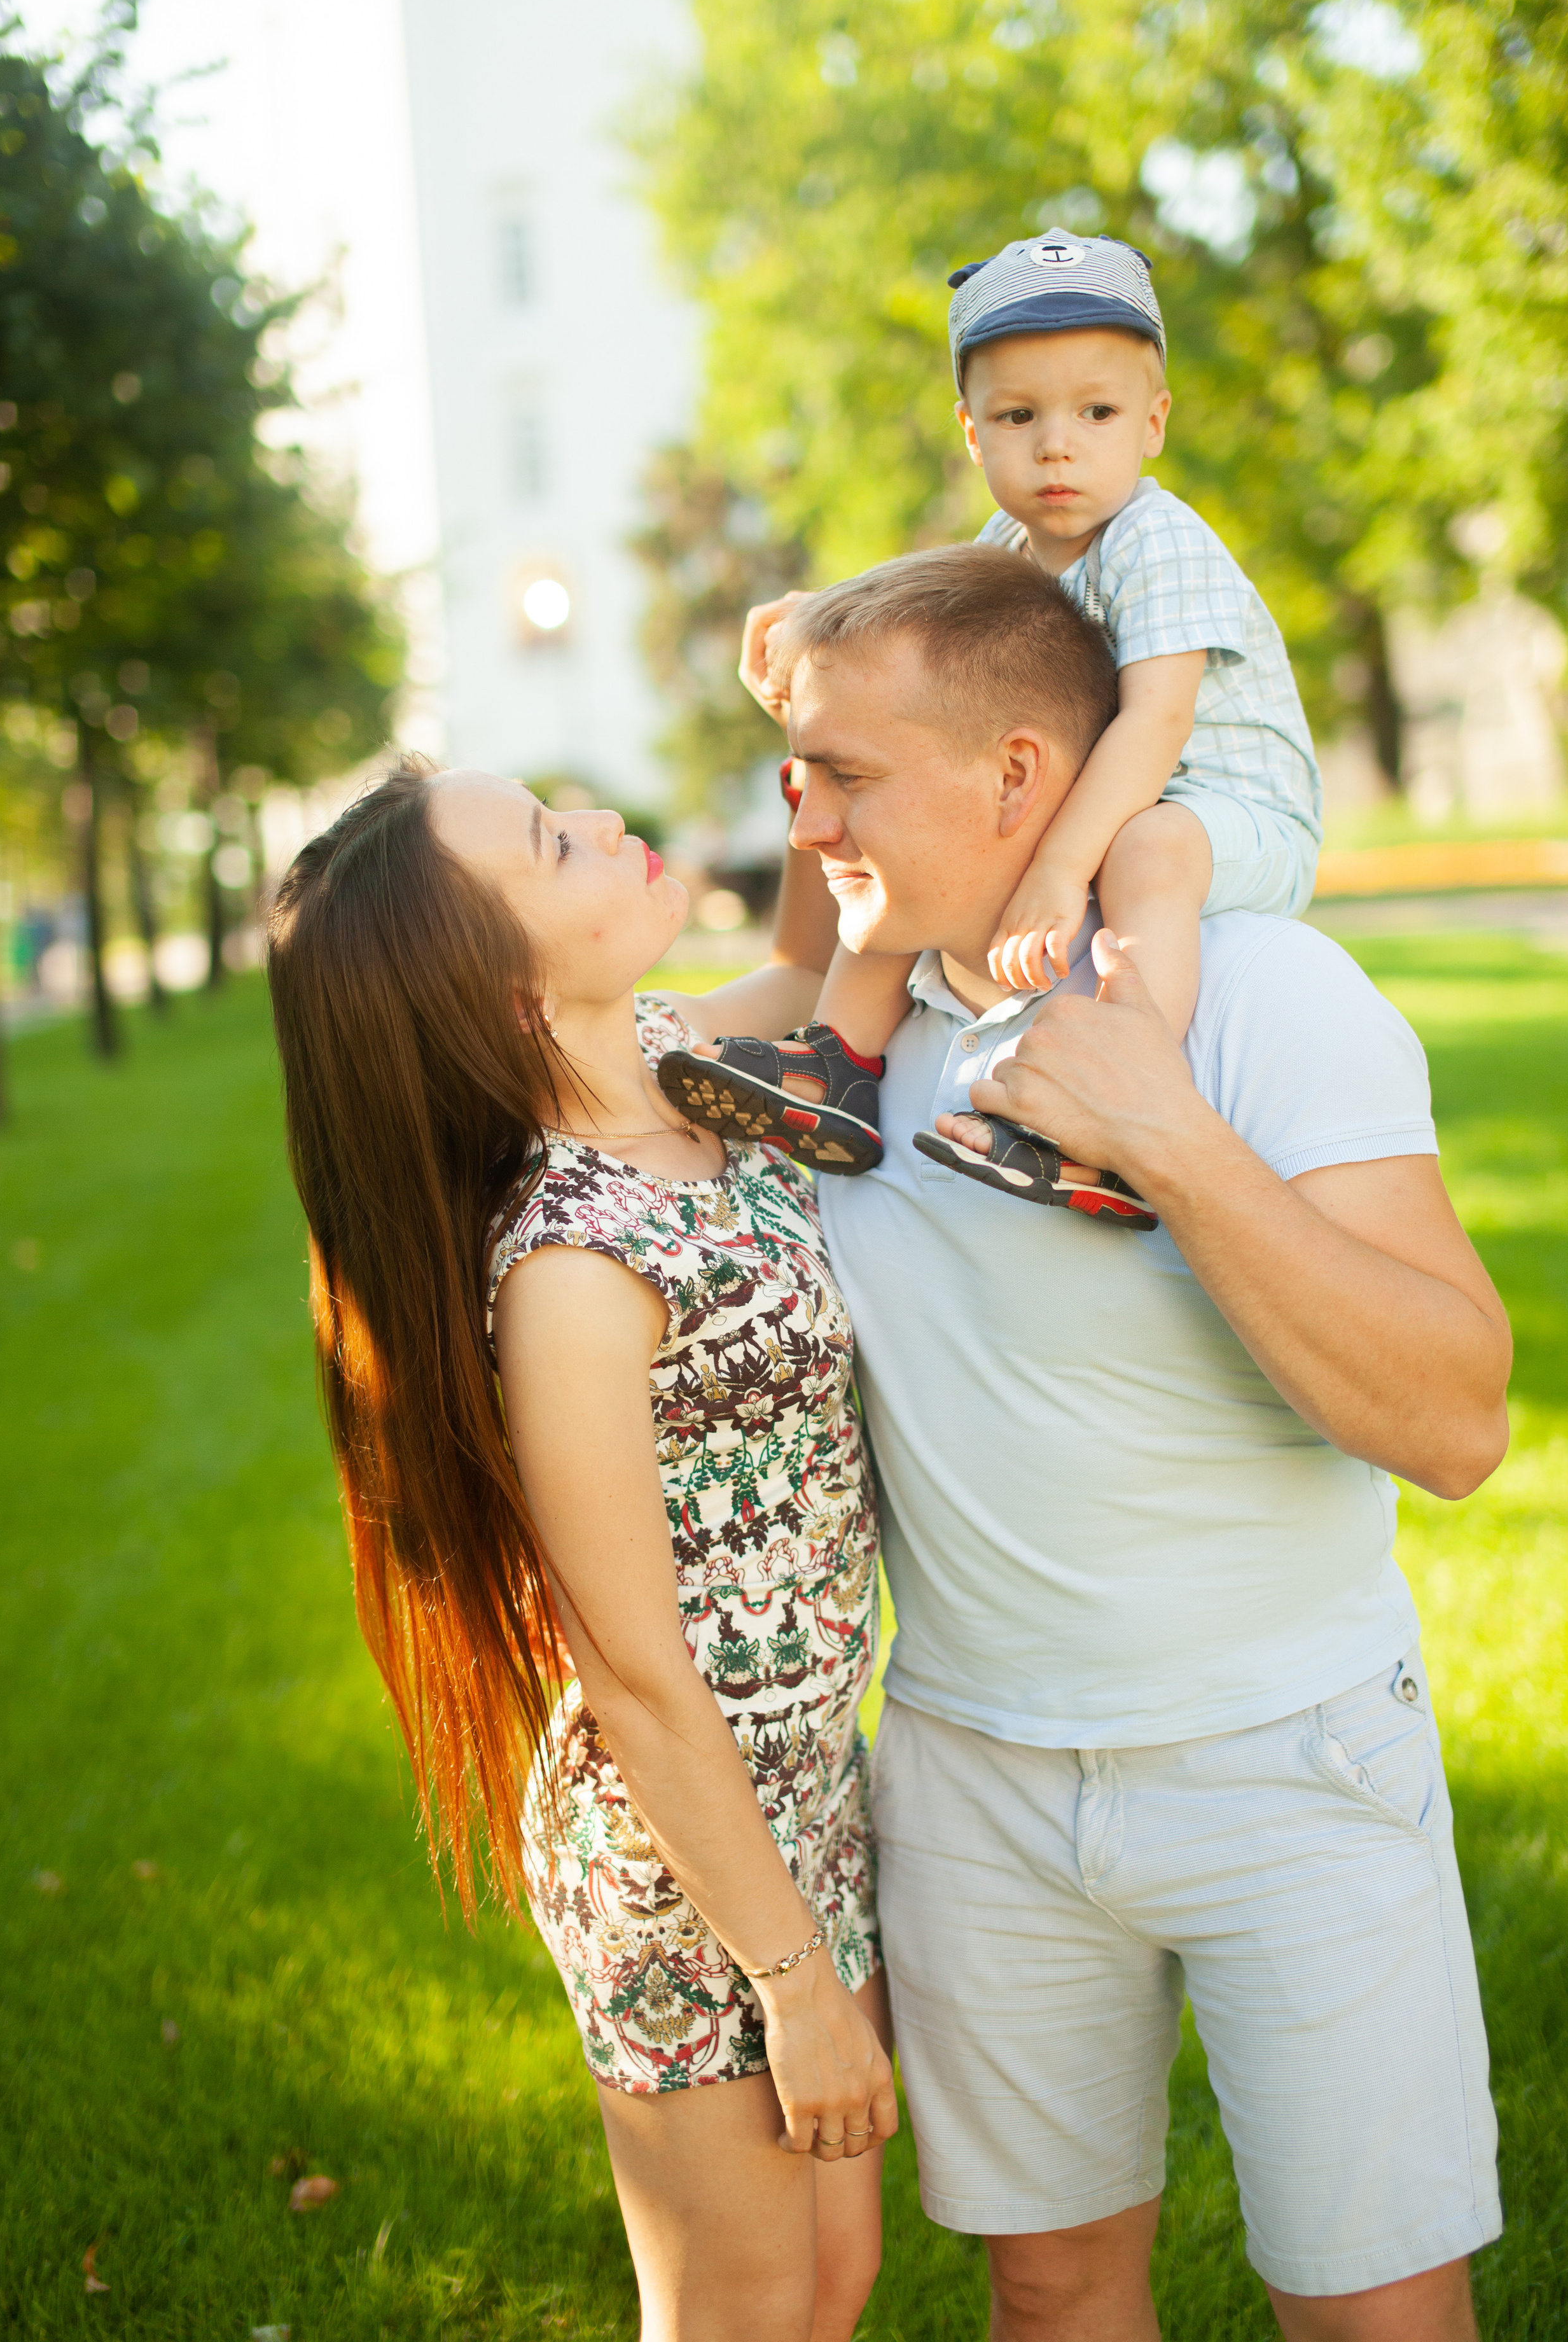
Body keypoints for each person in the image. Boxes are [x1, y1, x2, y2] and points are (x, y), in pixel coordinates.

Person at [751, 545, 1509, 2340]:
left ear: (1022, 773)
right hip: (973, 1781)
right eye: (796, 772)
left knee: (1373, 2311)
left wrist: (1168, 1133)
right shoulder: (846, 1052)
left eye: (848, 772)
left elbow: (1459, 1420)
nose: (804, 820)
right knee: (1055, 2292)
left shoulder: (1257, 990)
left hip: (1291, 1761)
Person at [265, 761, 896, 2342]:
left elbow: (830, 976)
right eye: (557, 843)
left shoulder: (681, 1061)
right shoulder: (567, 1263)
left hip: (809, 1778)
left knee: (836, 2279)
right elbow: (627, 1667)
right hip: (687, 1860)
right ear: (504, 986)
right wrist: (792, 1980)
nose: (605, 825)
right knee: (745, 2311)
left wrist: (823, 747)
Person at [659, 231, 1322, 1229]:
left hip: (1225, 810)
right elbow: (918, 666)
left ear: (1153, 423)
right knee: (920, 858)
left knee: (1149, 844)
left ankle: (1123, 1102)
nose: (1057, 444)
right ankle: (836, 1064)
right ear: (973, 434)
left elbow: (1157, 721)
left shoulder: (1161, 540)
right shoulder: (1005, 552)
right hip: (1100, 797)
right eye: (1019, 416)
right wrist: (817, 638)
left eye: (1096, 412)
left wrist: (1060, 873)